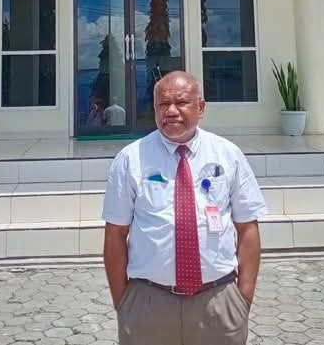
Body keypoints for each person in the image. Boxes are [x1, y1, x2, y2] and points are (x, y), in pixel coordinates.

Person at [102, 71, 267, 345]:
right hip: (148, 304)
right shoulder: (130, 160)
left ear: (200, 107)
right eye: (163, 104)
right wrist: (125, 303)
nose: (171, 111)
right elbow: (115, 234)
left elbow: (248, 227)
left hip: (217, 301)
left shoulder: (228, 155)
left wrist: (242, 300)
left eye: (181, 102)